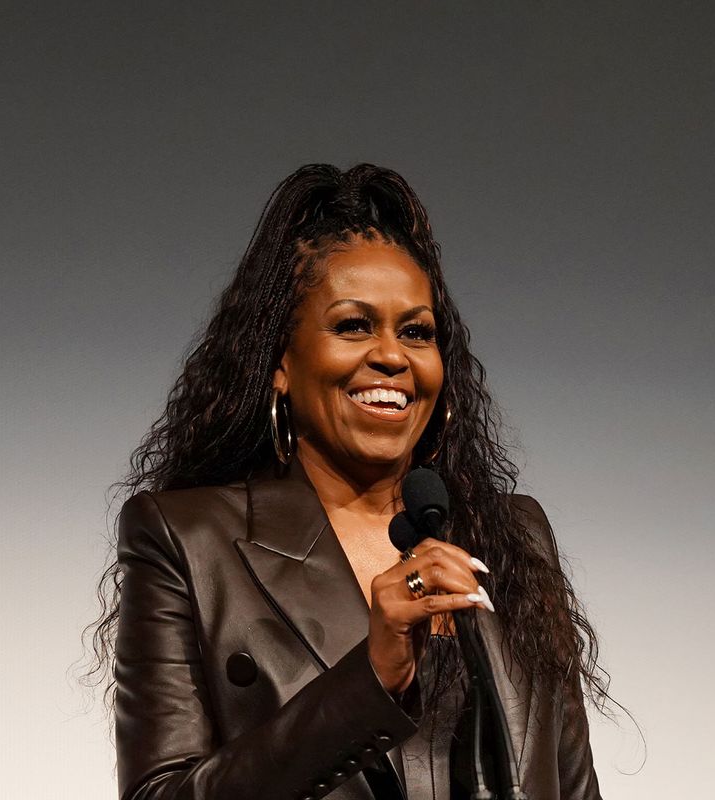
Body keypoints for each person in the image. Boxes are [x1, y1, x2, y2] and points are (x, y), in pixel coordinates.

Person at [85, 163, 612, 799]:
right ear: (280, 362)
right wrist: (370, 679)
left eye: (416, 332)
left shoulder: (514, 537)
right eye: (353, 325)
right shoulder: (186, 539)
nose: (392, 356)